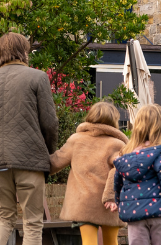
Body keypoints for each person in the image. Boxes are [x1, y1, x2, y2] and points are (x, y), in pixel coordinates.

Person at [0, 32, 59, 245]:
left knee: (2, 218)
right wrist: (48, 153)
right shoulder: (37, 77)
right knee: (32, 222)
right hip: (30, 160)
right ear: (24, 52)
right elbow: (50, 123)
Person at [106, 104, 161, 245]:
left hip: (135, 213)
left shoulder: (127, 154)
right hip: (160, 213)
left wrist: (119, 203)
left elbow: (118, 183)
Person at [49, 102, 128, 245]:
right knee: (111, 242)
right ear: (113, 120)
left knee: (88, 242)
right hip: (109, 203)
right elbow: (121, 170)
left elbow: (55, 163)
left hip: (84, 203)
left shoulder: (76, 140)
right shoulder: (117, 144)